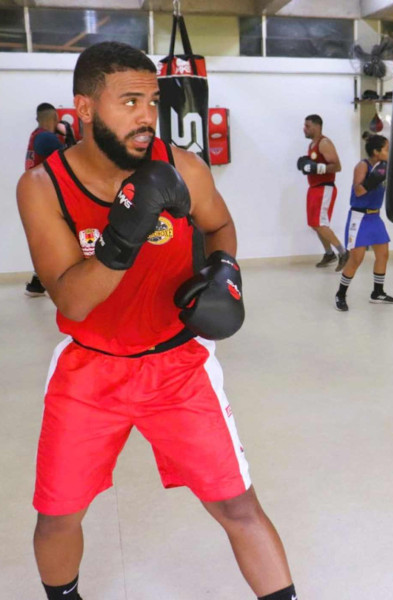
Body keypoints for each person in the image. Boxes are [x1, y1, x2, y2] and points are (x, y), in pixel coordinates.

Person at [16, 42, 296, 600]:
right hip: (91, 372)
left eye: (152, 99)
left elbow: (220, 227)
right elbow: (71, 300)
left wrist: (224, 272)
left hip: (178, 366)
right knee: (57, 516)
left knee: (239, 506)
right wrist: (126, 232)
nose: (147, 115)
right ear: (86, 108)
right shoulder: (43, 188)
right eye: (129, 101)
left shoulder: (182, 166)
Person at [335, 135, 393, 311]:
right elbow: (359, 190)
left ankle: (377, 292)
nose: (389, 152)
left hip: (374, 217)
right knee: (356, 258)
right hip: (359, 217)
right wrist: (374, 178)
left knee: (383, 254)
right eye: (386, 149)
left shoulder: (385, 167)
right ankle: (340, 294)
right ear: (376, 152)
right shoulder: (363, 166)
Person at [23, 103, 68, 297]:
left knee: (47, 241)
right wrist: (70, 137)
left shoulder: (37, 136)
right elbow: (70, 158)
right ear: (55, 119)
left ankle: (37, 284)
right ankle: (52, 283)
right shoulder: (46, 138)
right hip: (46, 196)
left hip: (36, 195)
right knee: (58, 240)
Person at [297, 114, 348, 270]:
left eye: (307, 126)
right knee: (314, 224)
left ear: (317, 127)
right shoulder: (312, 144)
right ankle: (329, 254)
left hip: (324, 187)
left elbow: (337, 166)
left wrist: (317, 168)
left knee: (320, 223)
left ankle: (344, 252)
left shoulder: (324, 143)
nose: (304, 129)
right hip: (314, 187)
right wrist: (310, 165)